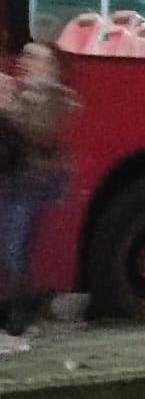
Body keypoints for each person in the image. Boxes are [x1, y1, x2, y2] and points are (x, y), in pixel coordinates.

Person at [0, 44, 77, 352]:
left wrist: (9, 108)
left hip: (33, 185)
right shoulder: (23, 92)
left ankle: (19, 317)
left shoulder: (50, 96)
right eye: (25, 56)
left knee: (15, 249)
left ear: (52, 68)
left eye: (34, 58)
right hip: (18, 184)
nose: (25, 61)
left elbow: (39, 134)